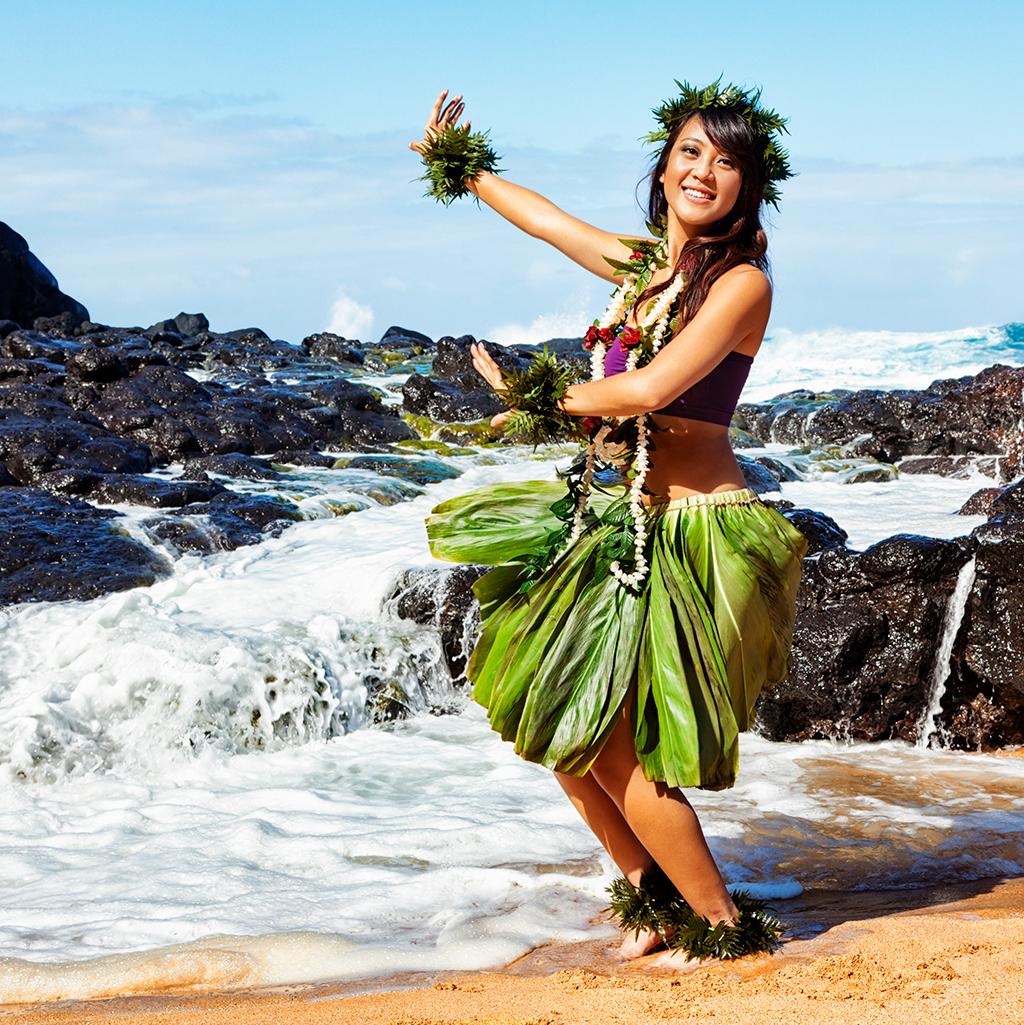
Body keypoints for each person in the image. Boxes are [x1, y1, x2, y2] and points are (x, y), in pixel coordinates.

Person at [410, 81, 809, 963]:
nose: (705, 170)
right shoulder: (642, 269)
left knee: (623, 742)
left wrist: (536, 398)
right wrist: (461, 166)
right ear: (664, 166)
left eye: (729, 161)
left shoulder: (740, 285)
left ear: (749, 185)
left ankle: (720, 929)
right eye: (691, 152)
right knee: (564, 730)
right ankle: (651, 898)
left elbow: (650, 390)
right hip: (608, 520)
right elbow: (549, 221)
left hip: (693, 531)